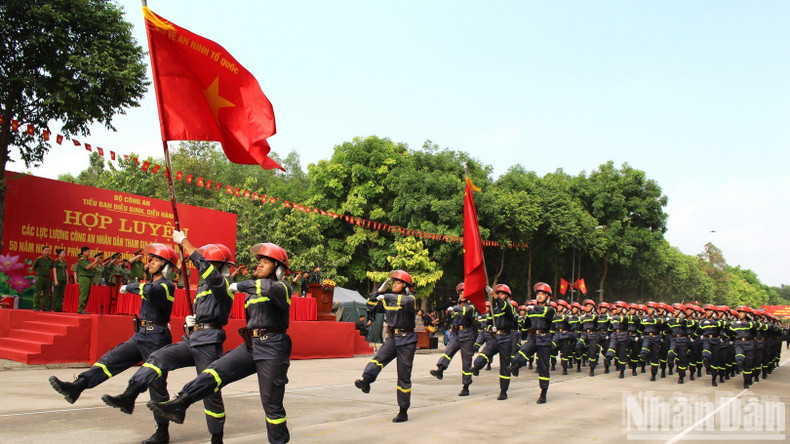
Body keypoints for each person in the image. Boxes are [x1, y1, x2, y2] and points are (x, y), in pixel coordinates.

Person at [147, 242, 293, 444]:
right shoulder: (252, 291)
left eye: (266, 262)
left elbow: (266, 288)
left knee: (271, 404)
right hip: (251, 345)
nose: (259, 265)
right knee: (213, 373)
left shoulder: (283, 288)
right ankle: (181, 402)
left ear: (278, 269)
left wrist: (239, 284)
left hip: (273, 348)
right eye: (259, 261)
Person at [103, 231, 235, 444]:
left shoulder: (221, 284)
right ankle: (130, 394)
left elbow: (206, 270)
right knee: (157, 358)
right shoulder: (202, 287)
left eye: (207, 263)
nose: (201, 268)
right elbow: (206, 310)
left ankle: (216, 437)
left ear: (217, 266)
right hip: (193, 338)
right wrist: (193, 321)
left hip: (209, 342)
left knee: (210, 390)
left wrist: (184, 242)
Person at [49, 243, 177, 443]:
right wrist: (134, 286)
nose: (150, 261)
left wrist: (130, 286)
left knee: (156, 384)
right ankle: (78, 386)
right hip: (141, 334)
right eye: (150, 258)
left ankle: (162, 432)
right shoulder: (150, 283)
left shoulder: (167, 286)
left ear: (167, 266)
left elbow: (150, 291)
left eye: (156, 259)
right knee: (110, 359)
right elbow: (146, 288)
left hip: (157, 337)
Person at [355, 270, 417, 423]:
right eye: (393, 282)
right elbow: (370, 306)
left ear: (406, 286)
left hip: (407, 340)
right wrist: (378, 292)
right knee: (378, 359)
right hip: (393, 338)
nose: (394, 284)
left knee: (403, 375)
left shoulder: (410, 299)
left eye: (397, 282)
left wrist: (385, 296)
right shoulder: (388, 299)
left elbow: (403, 301)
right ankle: (366, 381)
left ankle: (403, 410)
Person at [469, 284, 517, 401]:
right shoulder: (494, 310)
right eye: (498, 293)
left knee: (504, 366)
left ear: (507, 296)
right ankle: (476, 367)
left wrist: (494, 295)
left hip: (507, 337)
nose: (500, 295)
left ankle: (503, 391)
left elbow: (503, 306)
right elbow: (489, 323)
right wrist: (491, 328)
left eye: (502, 293)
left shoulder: (509, 307)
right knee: (486, 352)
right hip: (497, 336)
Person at [429, 283, 478, 396]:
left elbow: (466, 312)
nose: (462, 294)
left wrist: (454, 309)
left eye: (464, 292)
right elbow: (453, 319)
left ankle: (466, 386)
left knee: (466, 362)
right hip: (456, 334)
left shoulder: (471, 306)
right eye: (460, 292)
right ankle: (440, 370)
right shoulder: (456, 307)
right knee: (447, 352)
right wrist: (452, 327)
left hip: (467, 335)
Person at [510, 282, 555, 404]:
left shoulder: (550, 309)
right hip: (534, 337)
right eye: (538, 294)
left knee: (543, 367)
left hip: (545, 338)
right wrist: (523, 336)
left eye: (543, 294)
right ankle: (516, 366)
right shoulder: (531, 310)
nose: (540, 296)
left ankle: (543, 392)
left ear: (548, 296)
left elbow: (545, 312)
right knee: (520, 355)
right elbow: (527, 324)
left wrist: (533, 307)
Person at [74, 246, 101, 314]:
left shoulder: (88, 260)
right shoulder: (81, 260)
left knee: (87, 294)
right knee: (83, 294)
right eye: (88, 251)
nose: (89, 253)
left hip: (88, 278)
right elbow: (87, 267)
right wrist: (94, 261)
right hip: (84, 278)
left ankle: (83, 309)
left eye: (89, 252)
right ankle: (80, 309)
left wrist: (97, 262)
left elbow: (93, 268)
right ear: (84, 252)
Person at [31, 245, 56, 311]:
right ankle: (36, 306)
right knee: (37, 292)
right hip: (40, 277)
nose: (47, 252)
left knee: (46, 293)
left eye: (48, 251)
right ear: (42, 251)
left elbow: (52, 268)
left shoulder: (50, 260)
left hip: (47, 278)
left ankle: (45, 307)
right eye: (46, 250)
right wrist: (37, 275)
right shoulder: (38, 259)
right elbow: (33, 268)